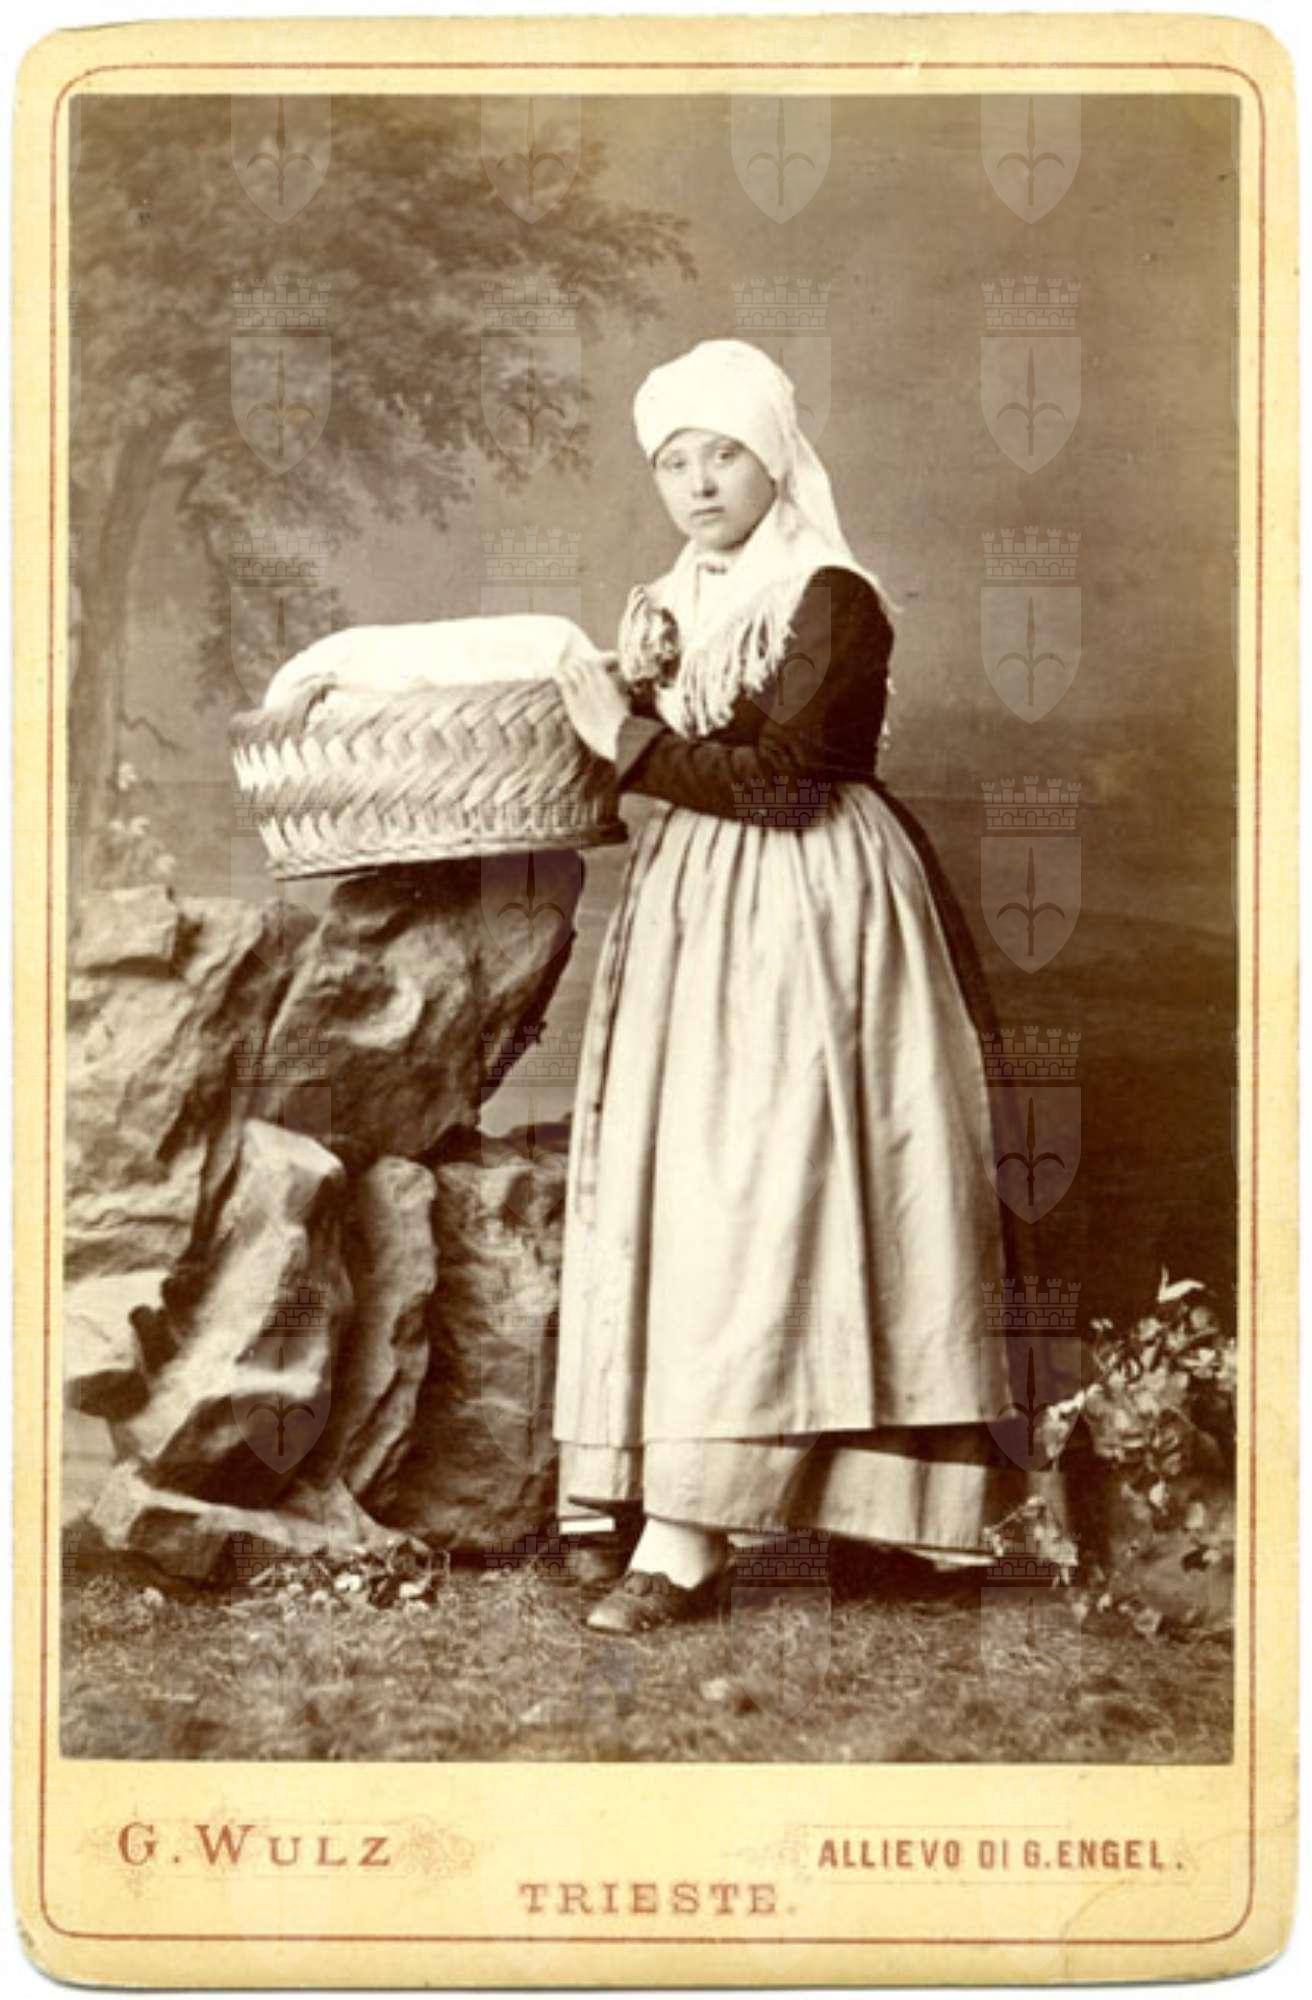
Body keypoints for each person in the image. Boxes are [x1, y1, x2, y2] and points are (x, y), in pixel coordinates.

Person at [553, 338, 1022, 1637]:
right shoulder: (668, 602)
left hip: (815, 909)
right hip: (694, 913)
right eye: (675, 463)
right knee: (694, 1191)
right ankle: (667, 1501)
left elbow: (787, 783)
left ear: (776, 459)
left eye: (725, 455)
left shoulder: (832, 597)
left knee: (797, 1194)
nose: (700, 484)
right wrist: (624, 701)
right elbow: (652, 769)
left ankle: (718, 1533)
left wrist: (627, 736)